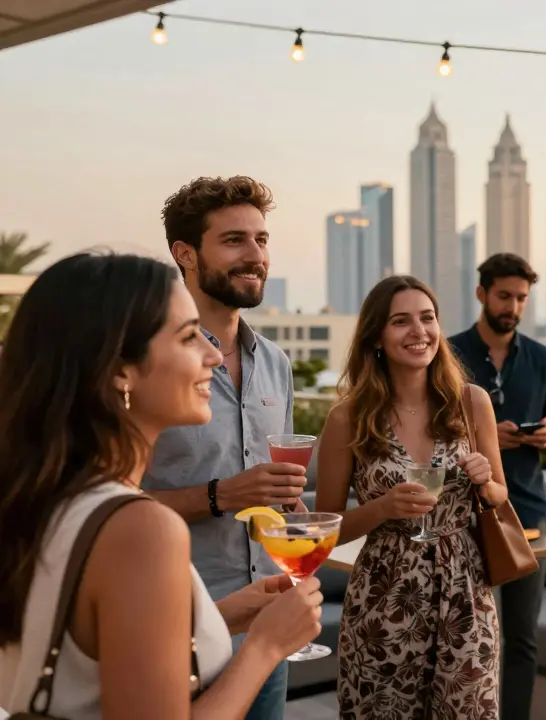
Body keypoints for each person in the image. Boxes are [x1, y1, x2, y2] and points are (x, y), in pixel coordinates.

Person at [0, 253, 322, 720]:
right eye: (189, 337)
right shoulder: (141, 528)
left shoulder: (48, 497)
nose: (213, 356)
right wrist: (266, 647)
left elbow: (88, 647)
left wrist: (219, 614)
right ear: (119, 369)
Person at [142, 176, 306, 720]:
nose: (255, 255)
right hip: (179, 615)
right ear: (185, 254)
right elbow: (106, 506)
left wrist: (288, 509)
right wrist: (221, 494)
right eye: (234, 240)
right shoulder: (146, 364)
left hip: (268, 606)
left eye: (261, 240)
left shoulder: (277, 364)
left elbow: (270, 489)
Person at [316, 275, 506, 719]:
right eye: (401, 321)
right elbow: (324, 529)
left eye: (428, 318)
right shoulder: (348, 417)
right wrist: (382, 509)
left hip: (465, 593)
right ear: (377, 337)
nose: (419, 332)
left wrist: (485, 480)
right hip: (383, 599)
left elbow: (499, 494)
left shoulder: (471, 403)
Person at [448, 252, 546, 720]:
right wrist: (486, 435)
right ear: (481, 294)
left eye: (521, 298)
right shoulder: (447, 354)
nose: (513, 306)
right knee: (466, 633)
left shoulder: (542, 359)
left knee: (521, 637)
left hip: (526, 515)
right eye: (504, 296)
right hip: (459, 514)